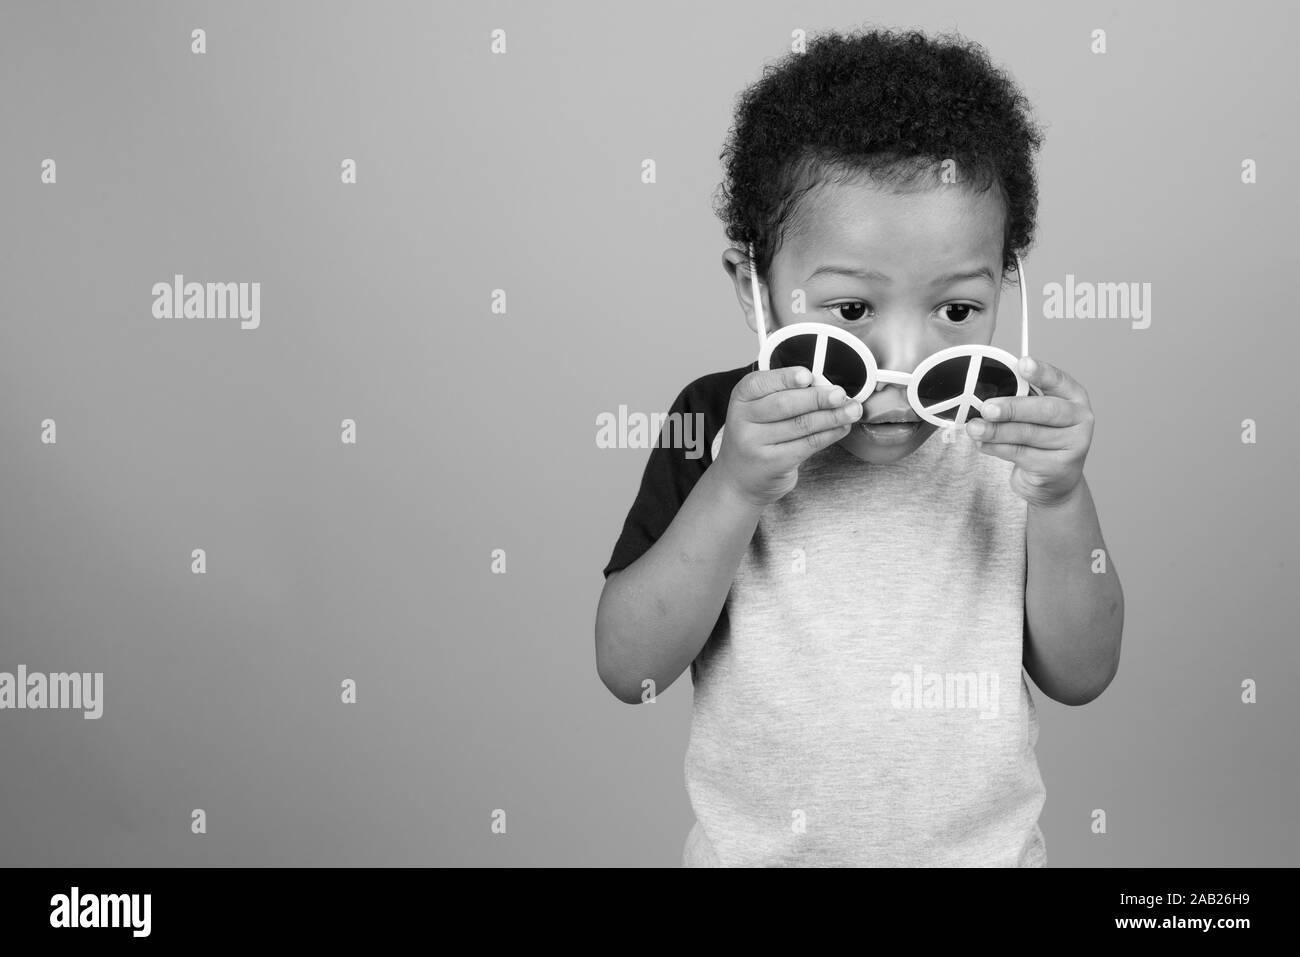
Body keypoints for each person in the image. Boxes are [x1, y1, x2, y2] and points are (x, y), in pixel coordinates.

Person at [594, 27, 1124, 866]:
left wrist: (1061, 499)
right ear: (754, 289)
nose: (904, 363)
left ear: (1005, 285)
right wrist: (734, 486)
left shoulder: (1003, 430)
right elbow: (630, 667)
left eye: (955, 310)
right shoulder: (718, 422)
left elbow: (1083, 672)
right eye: (849, 311)